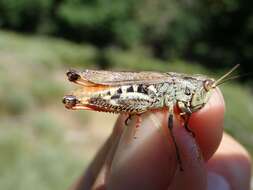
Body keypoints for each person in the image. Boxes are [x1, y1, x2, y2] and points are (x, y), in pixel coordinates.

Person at [70, 89, 251, 190]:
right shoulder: (174, 90)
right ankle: (77, 100)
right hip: (131, 91)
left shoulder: (182, 97)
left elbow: (185, 111)